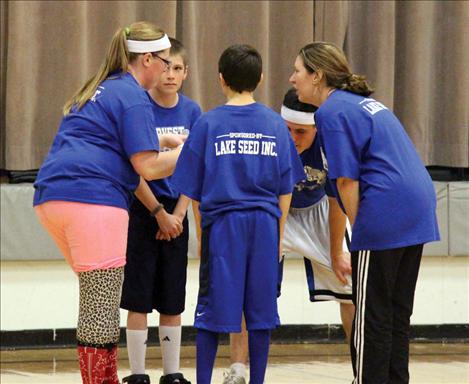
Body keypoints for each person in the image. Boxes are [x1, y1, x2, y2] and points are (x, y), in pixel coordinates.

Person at [33, 22, 185, 384]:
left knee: (94, 301)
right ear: (146, 58)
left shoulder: (101, 89)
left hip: (52, 199)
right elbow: (147, 165)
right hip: (94, 201)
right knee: (100, 310)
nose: (166, 71)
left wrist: (164, 137)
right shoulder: (133, 96)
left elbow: (110, 138)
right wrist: (191, 150)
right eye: (164, 63)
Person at [289, 41, 440, 384]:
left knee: (370, 315)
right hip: (418, 208)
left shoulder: (332, 111)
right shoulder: (363, 104)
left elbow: (345, 181)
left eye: (297, 71)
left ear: (318, 75)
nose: (292, 78)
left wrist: (363, 234)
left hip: (386, 211)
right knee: (397, 314)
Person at [170, 44, 305, 384]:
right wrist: (279, 233)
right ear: (260, 78)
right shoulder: (276, 125)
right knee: (260, 312)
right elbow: (285, 188)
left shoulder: (208, 123)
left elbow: (194, 189)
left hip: (223, 227)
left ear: (221, 79)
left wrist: (202, 236)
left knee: (213, 310)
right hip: (263, 225)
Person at [224, 89, 355, 384]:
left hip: (321, 209)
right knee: (250, 290)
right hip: (274, 210)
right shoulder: (266, 134)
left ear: (316, 129)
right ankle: (238, 369)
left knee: (350, 287)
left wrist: (336, 252)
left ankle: (363, 370)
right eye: (288, 130)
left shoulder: (330, 141)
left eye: (301, 132)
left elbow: (338, 201)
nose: (293, 138)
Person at [120, 38, 201, 384]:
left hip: (176, 215)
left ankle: (172, 373)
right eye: (166, 66)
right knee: (137, 297)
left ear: (186, 74)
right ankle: (137, 374)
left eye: (178, 68)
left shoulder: (194, 112)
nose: (170, 74)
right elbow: (133, 166)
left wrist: (179, 214)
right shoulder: (139, 107)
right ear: (155, 66)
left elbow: (196, 169)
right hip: (143, 209)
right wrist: (156, 212)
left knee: (172, 299)